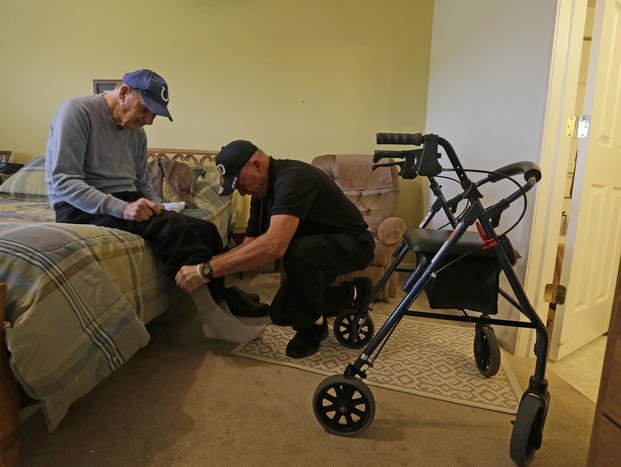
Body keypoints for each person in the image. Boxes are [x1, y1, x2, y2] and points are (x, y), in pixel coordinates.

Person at [45, 69, 264, 343]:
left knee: (206, 230)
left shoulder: (136, 133)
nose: (149, 120)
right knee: (171, 230)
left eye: (154, 115)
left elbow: (142, 182)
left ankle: (222, 307)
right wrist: (122, 208)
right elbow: (63, 181)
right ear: (124, 92)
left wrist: (157, 204)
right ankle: (212, 319)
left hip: (126, 199)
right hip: (81, 205)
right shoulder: (76, 112)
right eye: (146, 109)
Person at [175, 140, 375, 358]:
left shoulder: (294, 179)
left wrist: (206, 270)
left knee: (296, 251)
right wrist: (213, 263)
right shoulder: (261, 193)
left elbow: (274, 245)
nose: (241, 192)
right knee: (280, 313)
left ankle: (313, 329)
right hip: (315, 253)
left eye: (239, 183)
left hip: (353, 244)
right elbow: (250, 244)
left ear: (256, 165)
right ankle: (353, 292)